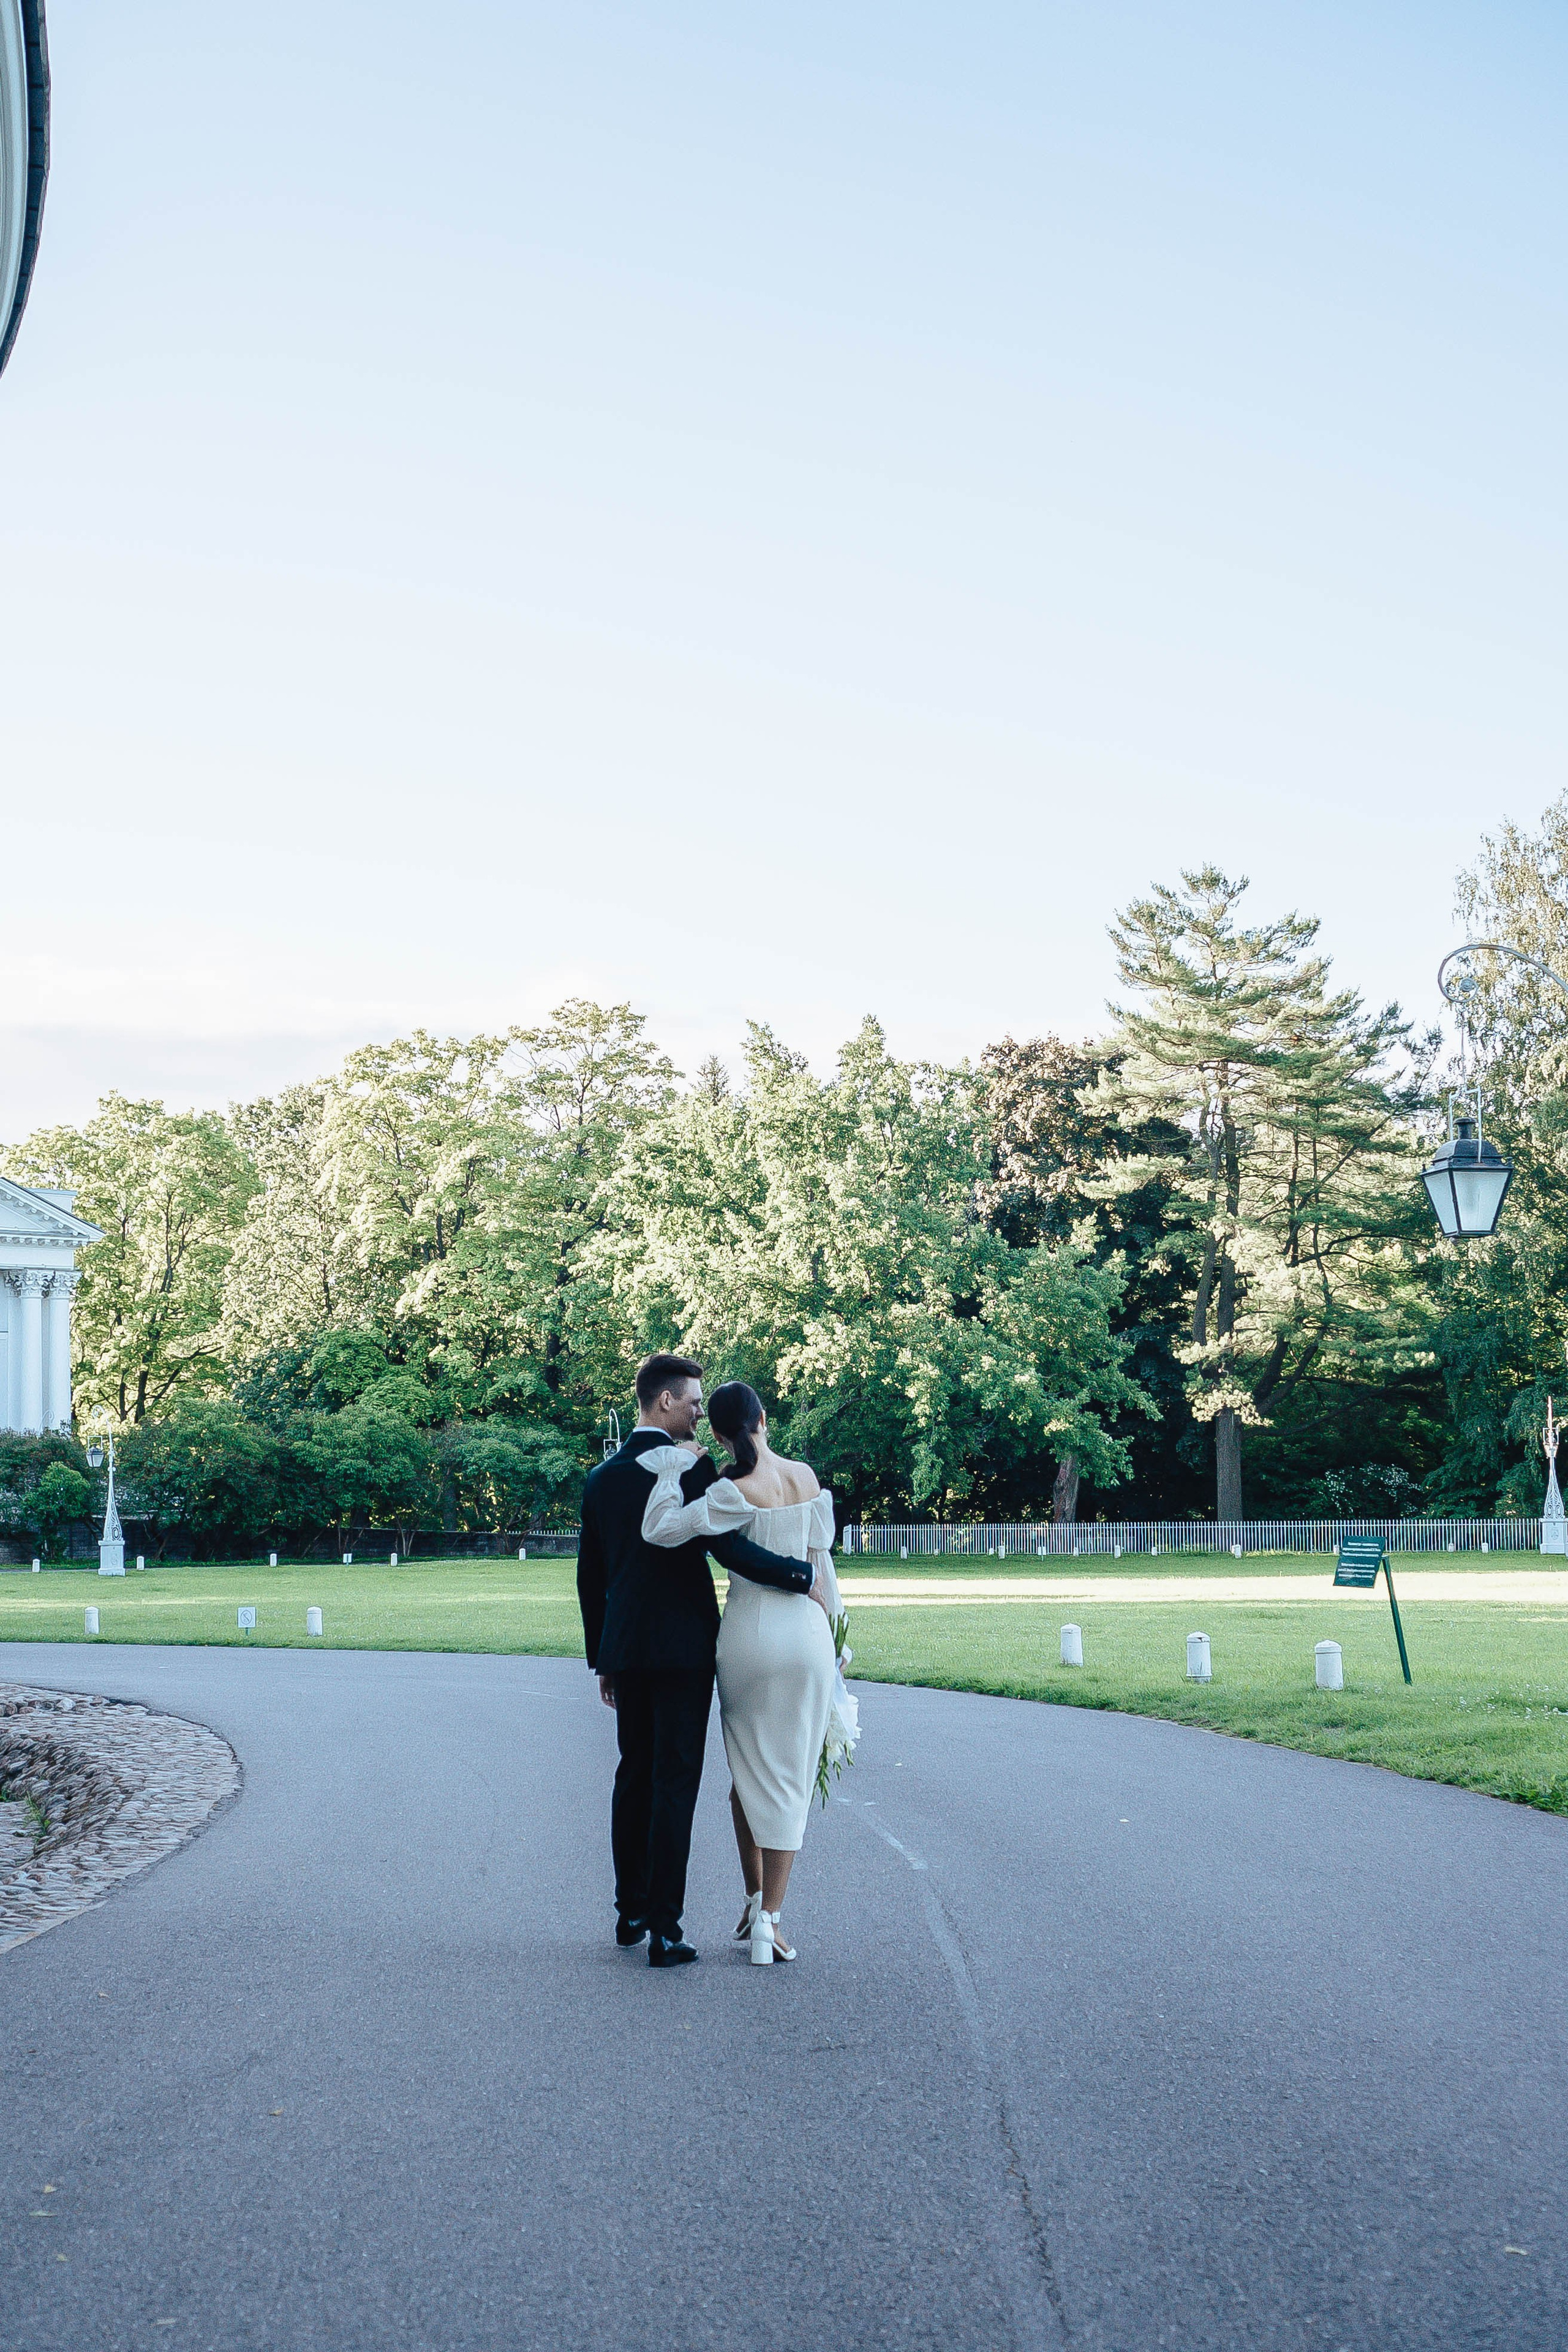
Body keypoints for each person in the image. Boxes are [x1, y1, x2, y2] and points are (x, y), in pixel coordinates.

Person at [575, 1355, 818, 1968]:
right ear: (663, 1402)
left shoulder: (602, 1479)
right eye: (691, 1401)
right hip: (684, 1649)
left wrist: (601, 1658)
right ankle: (665, 1930)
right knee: (674, 1783)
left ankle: (628, 1912)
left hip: (627, 1650)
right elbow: (727, 1547)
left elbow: (591, 1578)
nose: (698, 1413)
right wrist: (802, 1574)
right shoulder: (694, 1466)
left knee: (633, 1776)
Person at [638, 1382, 839, 1966]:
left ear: (720, 1434)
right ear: (764, 1417)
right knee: (790, 1778)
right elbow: (822, 1568)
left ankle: (756, 1905)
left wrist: (674, 1473)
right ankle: (768, 1920)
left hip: (748, 1639)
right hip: (806, 1635)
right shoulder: (805, 1477)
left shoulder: (729, 1491)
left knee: (749, 1776)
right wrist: (840, 1639)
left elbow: (660, 1530)